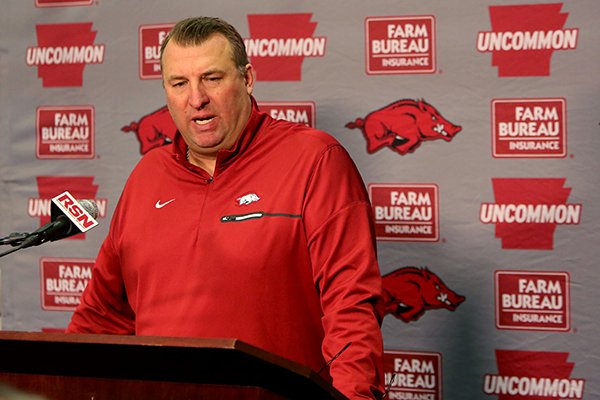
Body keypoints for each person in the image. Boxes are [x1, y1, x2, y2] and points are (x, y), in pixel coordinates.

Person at [67, 16, 385, 399]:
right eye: (179, 83)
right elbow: (101, 317)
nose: (196, 98)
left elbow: (351, 306)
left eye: (212, 79)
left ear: (248, 79)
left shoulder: (315, 160)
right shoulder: (146, 176)